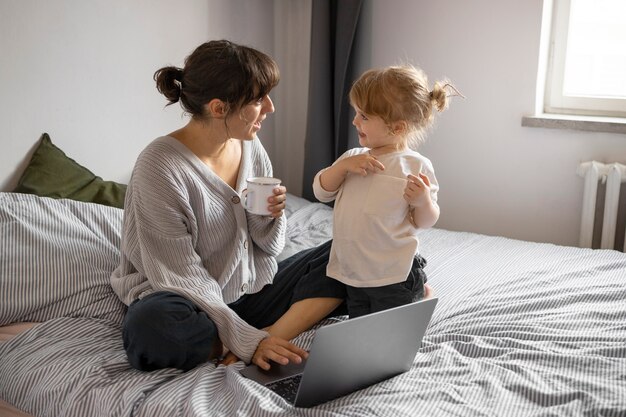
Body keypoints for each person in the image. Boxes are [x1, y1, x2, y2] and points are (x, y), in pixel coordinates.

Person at [111, 40, 346, 372]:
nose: (270, 107)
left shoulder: (248, 144)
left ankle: (270, 334)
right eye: (257, 100)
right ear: (219, 108)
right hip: (187, 300)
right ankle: (242, 337)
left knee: (355, 251)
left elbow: (269, 247)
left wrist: (268, 217)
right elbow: (180, 276)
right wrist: (247, 340)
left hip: (250, 293)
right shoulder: (159, 166)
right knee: (151, 329)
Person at [313, 65, 460, 318]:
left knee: (392, 329)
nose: (355, 121)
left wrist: (423, 201)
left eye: (365, 117)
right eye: (357, 113)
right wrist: (341, 168)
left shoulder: (414, 165)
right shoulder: (352, 158)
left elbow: (425, 220)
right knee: (361, 330)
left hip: (394, 275)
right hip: (354, 273)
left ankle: (420, 295)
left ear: (398, 128)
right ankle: (421, 296)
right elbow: (321, 191)